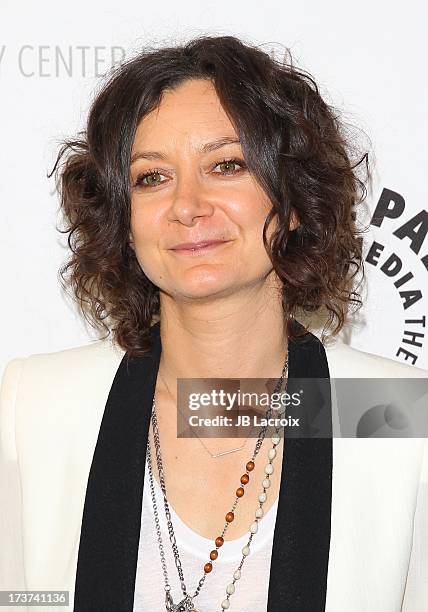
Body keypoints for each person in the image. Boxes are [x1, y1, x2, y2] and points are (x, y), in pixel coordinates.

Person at [0, 35, 427, 612]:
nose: (187, 204)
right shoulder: (35, 406)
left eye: (227, 166)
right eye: (151, 177)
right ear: (124, 220)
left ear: (295, 200)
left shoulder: (392, 414)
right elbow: (20, 599)